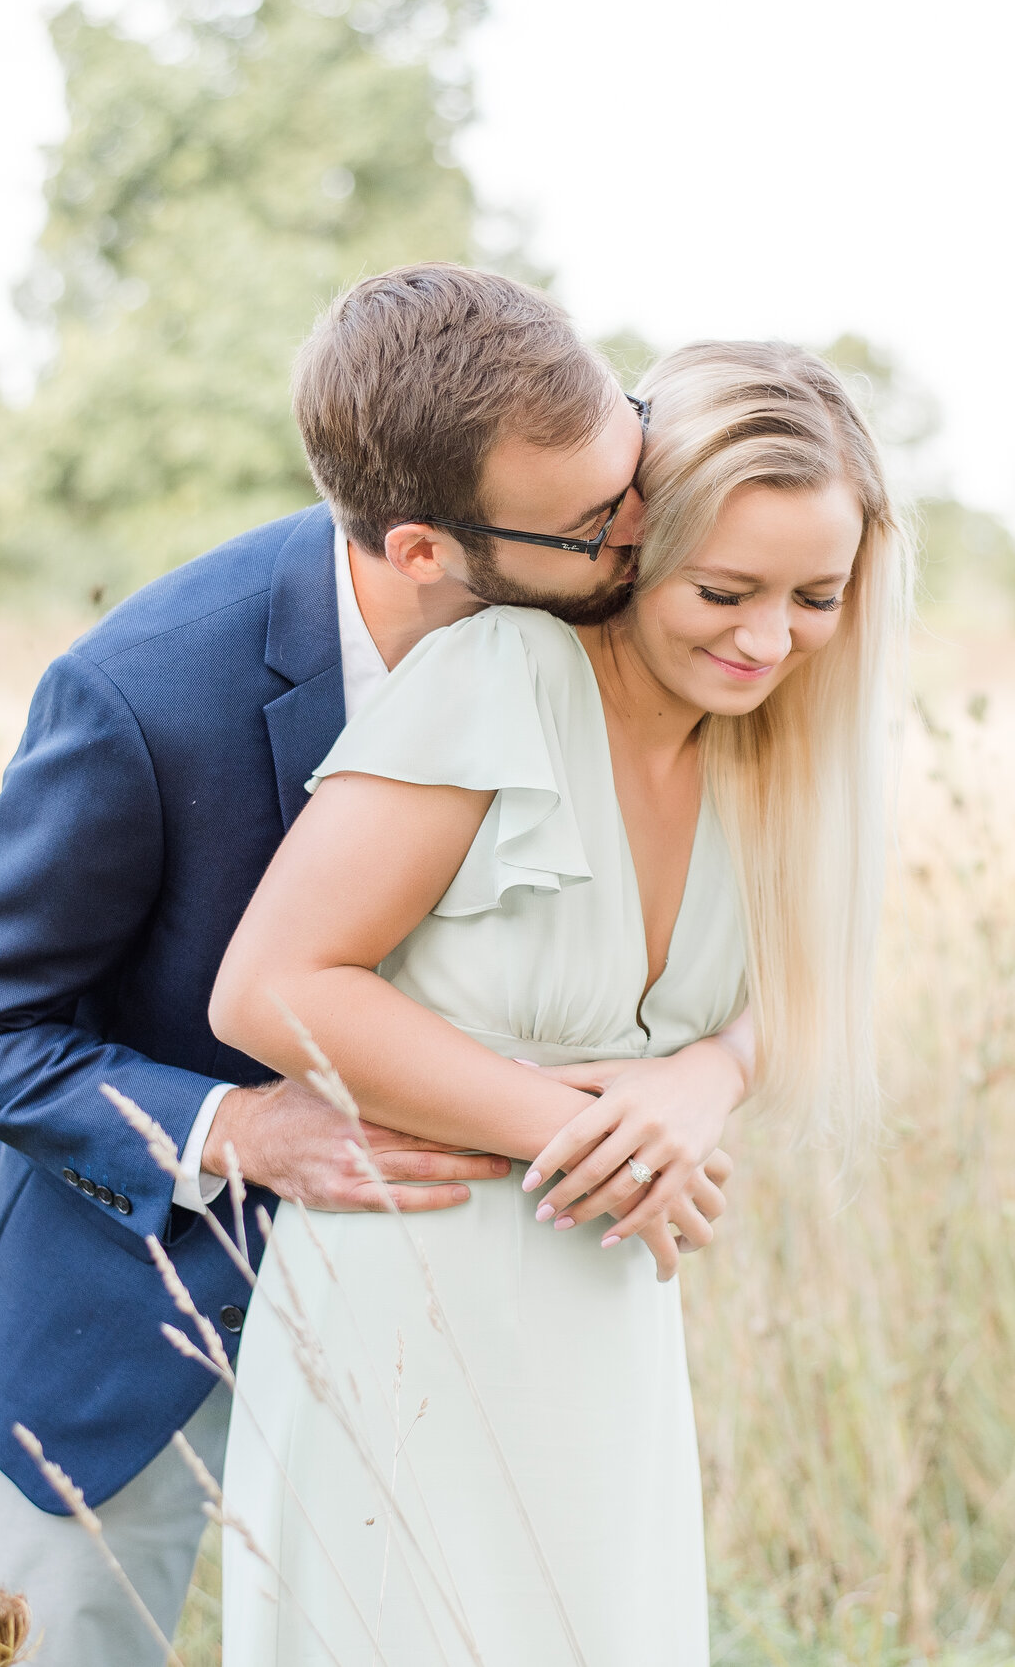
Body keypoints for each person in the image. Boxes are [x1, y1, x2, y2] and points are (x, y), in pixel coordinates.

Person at [0, 264, 751, 1666]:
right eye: (600, 520)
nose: (644, 533)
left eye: (635, 464)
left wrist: (712, 1065)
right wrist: (236, 1126)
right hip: (138, 1319)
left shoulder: (610, 643)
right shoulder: (143, 693)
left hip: (446, 1318)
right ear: (424, 548)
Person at [208, 339, 908, 1665]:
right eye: (726, 588)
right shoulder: (503, 680)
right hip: (410, 1296)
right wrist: (573, 1129)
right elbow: (273, 987)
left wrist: (707, 1076)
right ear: (634, 548)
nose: (769, 638)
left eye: (817, 596)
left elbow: (790, 990)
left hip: (606, 1315)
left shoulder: (776, 748)